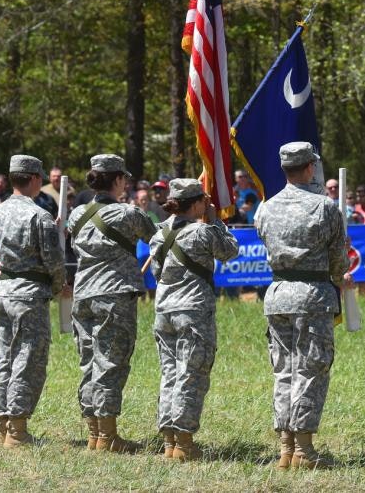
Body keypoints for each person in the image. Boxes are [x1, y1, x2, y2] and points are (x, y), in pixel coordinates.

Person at [255, 142, 351, 470]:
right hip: (313, 296)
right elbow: (338, 264)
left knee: (283, 370)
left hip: (278, 295)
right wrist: (341, 262)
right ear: (310, 167)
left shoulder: (266, 208)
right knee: (310, 370)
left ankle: (286, 448)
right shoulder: (324, 207)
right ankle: (304, 450)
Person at [66, 154, 158, 453]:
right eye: (124, 179)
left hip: (82, 295)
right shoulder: (128, 214)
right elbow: (157, 238)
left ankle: (94, 434)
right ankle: (108, 437)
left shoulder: (76, 214)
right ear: (117, 179)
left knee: (88, 361)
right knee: (110, 363)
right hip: (114, 296)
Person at [149, 178, 239, 461]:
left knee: (170, 373)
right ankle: (184, 442)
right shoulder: (202, 232)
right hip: (193, 312)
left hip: (164, 311)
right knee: (191, 374)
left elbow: (156, 272)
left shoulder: (160, 233)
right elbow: (230, 250)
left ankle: (169, 441)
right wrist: (215, 221)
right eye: (204, 200)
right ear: (197, 203)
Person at [0, 155, 65, 448]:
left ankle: (2, 426)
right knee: (27, 360)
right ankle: (17, 431)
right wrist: (58, 287)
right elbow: (54, 262)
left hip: (3, 291)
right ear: (33, 179)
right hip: (29, 295)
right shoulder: (39, 216)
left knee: (4, 359)